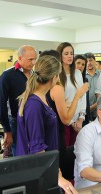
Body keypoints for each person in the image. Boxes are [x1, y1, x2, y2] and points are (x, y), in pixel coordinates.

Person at [16, 55, 78, 194]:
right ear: (55, 77)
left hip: (48, 169)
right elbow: (37, 148)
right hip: (39, 172)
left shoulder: (41, 98)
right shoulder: (34, 104)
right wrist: (57, 177)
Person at [40, 50, 89, 181]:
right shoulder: (56, 88)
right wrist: (78, 96)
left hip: (46, 135)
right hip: (55, 133)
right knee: (58, 171)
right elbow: (66, 119)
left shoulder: (36, 87)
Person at [0, 45, 37, 157]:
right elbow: (1, 104)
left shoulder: (35, 76)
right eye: (30, 59)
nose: (34, 62)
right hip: (15, 122)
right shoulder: (7, 75)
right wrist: (6, 130)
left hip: (33, 120)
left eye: (35, 59)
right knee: (19, 155)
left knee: (33, 153)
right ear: (20, 58)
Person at [57, 42, 86, 147]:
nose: (70, 56)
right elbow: (58, 102)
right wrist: (71, 122)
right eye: (66, 53)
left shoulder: (77, 73)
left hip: (78, 122)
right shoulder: (56, 75)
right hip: (63, 121)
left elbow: (82, 97)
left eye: (71, 53)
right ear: (60, 55)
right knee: (65, 154)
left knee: (76, 153)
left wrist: (80, 119)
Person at [74, 54, 91, 125]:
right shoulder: (68, 79)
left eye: (83, 64)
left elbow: (86, 101)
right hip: (72, 116)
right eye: (78, 63)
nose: (80, 66)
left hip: (84, 116)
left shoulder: (85, 80)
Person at [84, 52, 100, 121]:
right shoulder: (82, 76)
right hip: (85, 111)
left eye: (90, 60)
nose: (88, 63)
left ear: (95, 61)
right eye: (86, 61)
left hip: (99, 110)